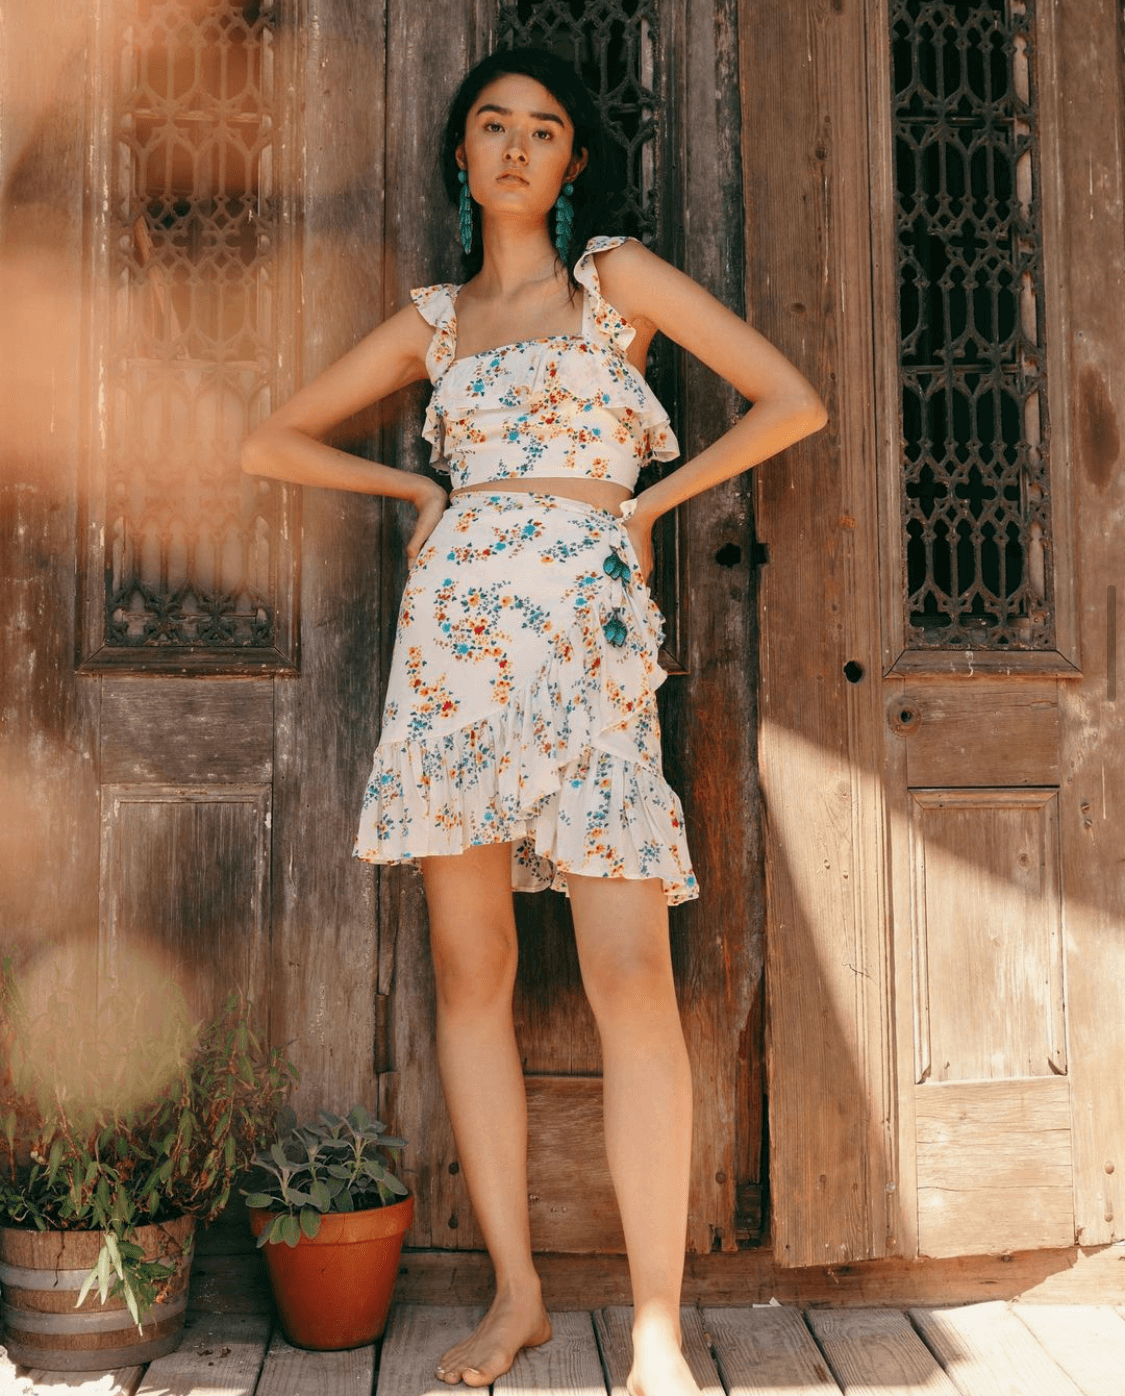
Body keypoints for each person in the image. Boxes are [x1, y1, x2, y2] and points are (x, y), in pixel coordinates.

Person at [242, 45, 826, 1396]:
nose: (515, 146)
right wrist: (416, 494)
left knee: (630, 976)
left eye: (544, 129)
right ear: (461, 154)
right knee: (472, 976)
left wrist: (645, 507)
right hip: (453, 650)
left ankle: (659, 1327)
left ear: (574, 163)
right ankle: (517, 1298)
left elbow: (794, 403)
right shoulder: (433, 323)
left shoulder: (615, 283)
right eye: (492, 125)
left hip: (584, 644)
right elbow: (268, 441)